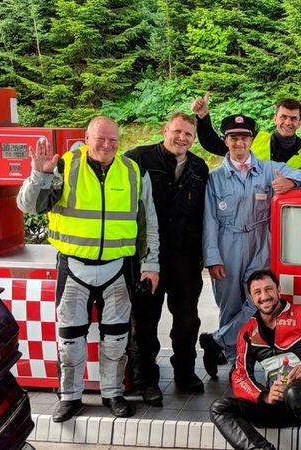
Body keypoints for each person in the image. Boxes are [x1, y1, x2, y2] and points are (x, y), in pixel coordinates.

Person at [16, 116, 160, 422]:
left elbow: (149, 225)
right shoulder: (65, 166)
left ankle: (113, 394)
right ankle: (69, 398)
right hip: (74, 267)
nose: (107, 145)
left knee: (117, 338)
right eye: (101, 139)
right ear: (87, 137)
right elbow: (28, 205)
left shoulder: (133, 172)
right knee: (69, 339)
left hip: (118, 269)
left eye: (113, 140)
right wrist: (38, 176)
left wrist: (151, 263)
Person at [200, 114, 301, 377]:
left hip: (261, 241)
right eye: (233, 137)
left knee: (258, 302)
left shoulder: (269, 168)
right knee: (229, 306)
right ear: (226, 141)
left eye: (244, 137)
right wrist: (212, 257)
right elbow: (209, 220)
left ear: (252, 140)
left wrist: (291, 182)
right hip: (227, 243)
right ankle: (234, 361)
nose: (239, 142)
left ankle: (217, 341)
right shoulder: (215, 178)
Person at [210, 270, 301, 450]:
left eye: (269, 289)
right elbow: (239, 375)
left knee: (294, 392)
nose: (264, 296)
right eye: (258, 292)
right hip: (278, 406)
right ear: (252, 298)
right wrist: (264, 395)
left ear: (278, 290)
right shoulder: (247, 332)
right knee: (219, 407)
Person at [124, 112, 209, 406]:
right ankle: (145, 379)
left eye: (188, 134)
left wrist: (202, 255)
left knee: (187, 320)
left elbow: (203, 215)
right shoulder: (138, 159)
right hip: (148, 256)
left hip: (185, 258)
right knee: (145, 320)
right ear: (165, 130)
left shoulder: (199, 167)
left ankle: (184, 371)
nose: (182, 138)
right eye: (177, 131)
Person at [191, 93, 301, 168]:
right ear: (275, 119)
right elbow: (213, 144)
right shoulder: (253, 139)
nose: (288, 122)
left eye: (293, 118)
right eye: (283, 117)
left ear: (299, 123)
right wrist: (203, 117)